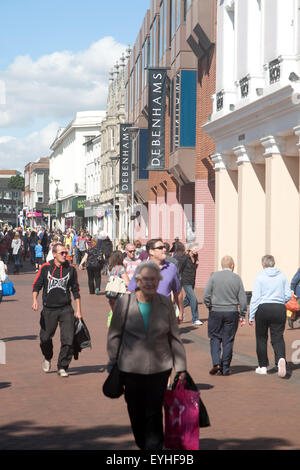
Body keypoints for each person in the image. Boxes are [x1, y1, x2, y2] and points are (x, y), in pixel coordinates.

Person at [107, 260, 187, 451]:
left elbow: (175, 338)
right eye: (145, 279)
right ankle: (144, 443)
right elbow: (114, 336)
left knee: (153, 412)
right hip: (130, 369)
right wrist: (113, 361)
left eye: (154, 279)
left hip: (159, 368)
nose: (150, 283)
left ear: (159, 281)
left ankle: (154, 448)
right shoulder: (125, 303)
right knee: (135, 412)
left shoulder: (166, 304)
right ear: (138, 281)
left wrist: (181, 367)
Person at [32, 242, 83, 378]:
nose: (65, 255)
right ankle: (48, 357)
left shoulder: (71, 269)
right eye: (62, 253)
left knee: (68, 339)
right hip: (49, 309)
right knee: (45, 338)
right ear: (54, 254)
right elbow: (37, 285)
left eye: (66, 252)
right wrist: (34, 301)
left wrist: (78, 310)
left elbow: (76, 290)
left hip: (66, 308)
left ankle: (62, 366)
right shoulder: (45, 268)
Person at [203, 255, 247, 376]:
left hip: (216, 311)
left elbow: (206, 295)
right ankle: (225, 368)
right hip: (232, 312)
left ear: (222, 265)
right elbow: (242, 298)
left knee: (215, 338)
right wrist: (243, 313)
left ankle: (216, 362)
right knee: (228, 340)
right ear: (232, 265)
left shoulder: (214, 277)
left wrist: (210, 307)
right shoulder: (237, 278)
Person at [249, 255, 292, 378]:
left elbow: (256, 298)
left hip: (263, 308)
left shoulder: (260, 276)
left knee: (261, 337)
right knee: (278, 336)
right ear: (274, 263)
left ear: (263, 264)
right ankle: (281, 359)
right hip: (279, 308)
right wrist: (279, 300)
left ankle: (262, 367)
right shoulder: (282, 275)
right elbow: (288, 295)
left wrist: (251, 315)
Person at [128, 238, 184, 322]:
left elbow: (177, 292)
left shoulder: (171, 268)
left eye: (164, 247)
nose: (164, 249)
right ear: (151, 252)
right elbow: (131, 291)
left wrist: (181, 312)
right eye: (160, 248)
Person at [176, 243, 203, 326]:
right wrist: (177, 281)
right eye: (195, 248)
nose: (197, 250)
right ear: (190, 249)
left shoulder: (195, 256)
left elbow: (194, 269)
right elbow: (179, 270)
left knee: (187, 300)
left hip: (192, 281)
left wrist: (196, 265)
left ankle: (176, 310)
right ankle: (195, 319)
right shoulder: (184, 258)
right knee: (193, 299)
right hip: (185, 281)